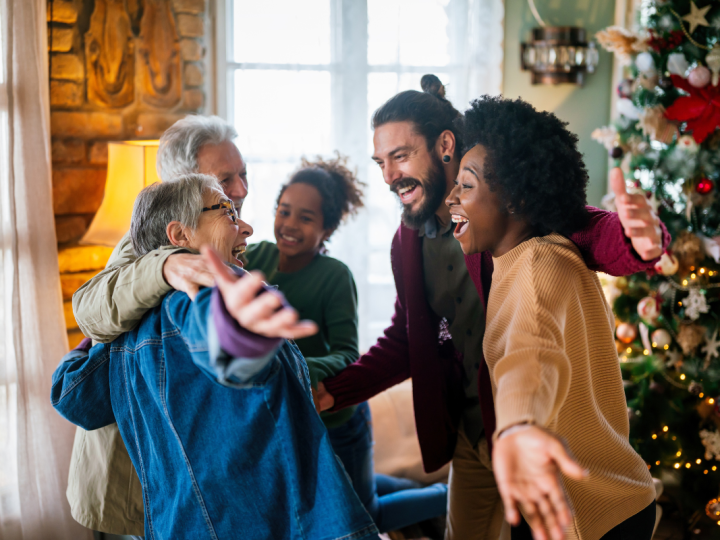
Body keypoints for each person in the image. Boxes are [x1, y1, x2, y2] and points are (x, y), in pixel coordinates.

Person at [314, 75, 669, 540]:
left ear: (444, 145)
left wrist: (638, 241)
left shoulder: (522, 233)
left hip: (532, 432)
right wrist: (334, 391)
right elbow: (408, 337)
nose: (388, 176)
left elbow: (540, 325)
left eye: (400, 156)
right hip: (471, 433)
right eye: (381, 162)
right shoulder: (408, 241)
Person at [53, 174, 379, 540]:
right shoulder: (194, 299)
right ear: (180, 236)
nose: (248, 227)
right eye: (227, 210)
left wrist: (93, 341)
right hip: (256, 522)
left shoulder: (128, 330)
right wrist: (242, 333)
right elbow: (216, 340)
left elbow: (72, 396)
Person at [446, 96, 657, 540]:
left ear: (516, 197)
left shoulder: (539, 267)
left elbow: (531, 352)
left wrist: (520, 424)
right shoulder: (519, 257)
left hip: (591, 514)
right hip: (598, 500)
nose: (452, 197)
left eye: (465, 185)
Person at [244, 154, 448, 533]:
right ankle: (403, 488)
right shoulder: (254, 256)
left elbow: (347, 354)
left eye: (305, 218)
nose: (289, 225)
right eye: (284, 212)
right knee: (340, 495)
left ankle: (448, 495)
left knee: (363, 514)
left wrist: (301, 367)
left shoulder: (334, 276)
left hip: (338, 418)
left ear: (327, 227)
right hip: (291, 420)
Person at [69, 115, 249, 538]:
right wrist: (165, 263)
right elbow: (91, 308)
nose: (241, 189)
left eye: (244, 174)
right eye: (226, 178)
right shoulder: (140, 242)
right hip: (133, 483)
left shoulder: (226, 234)